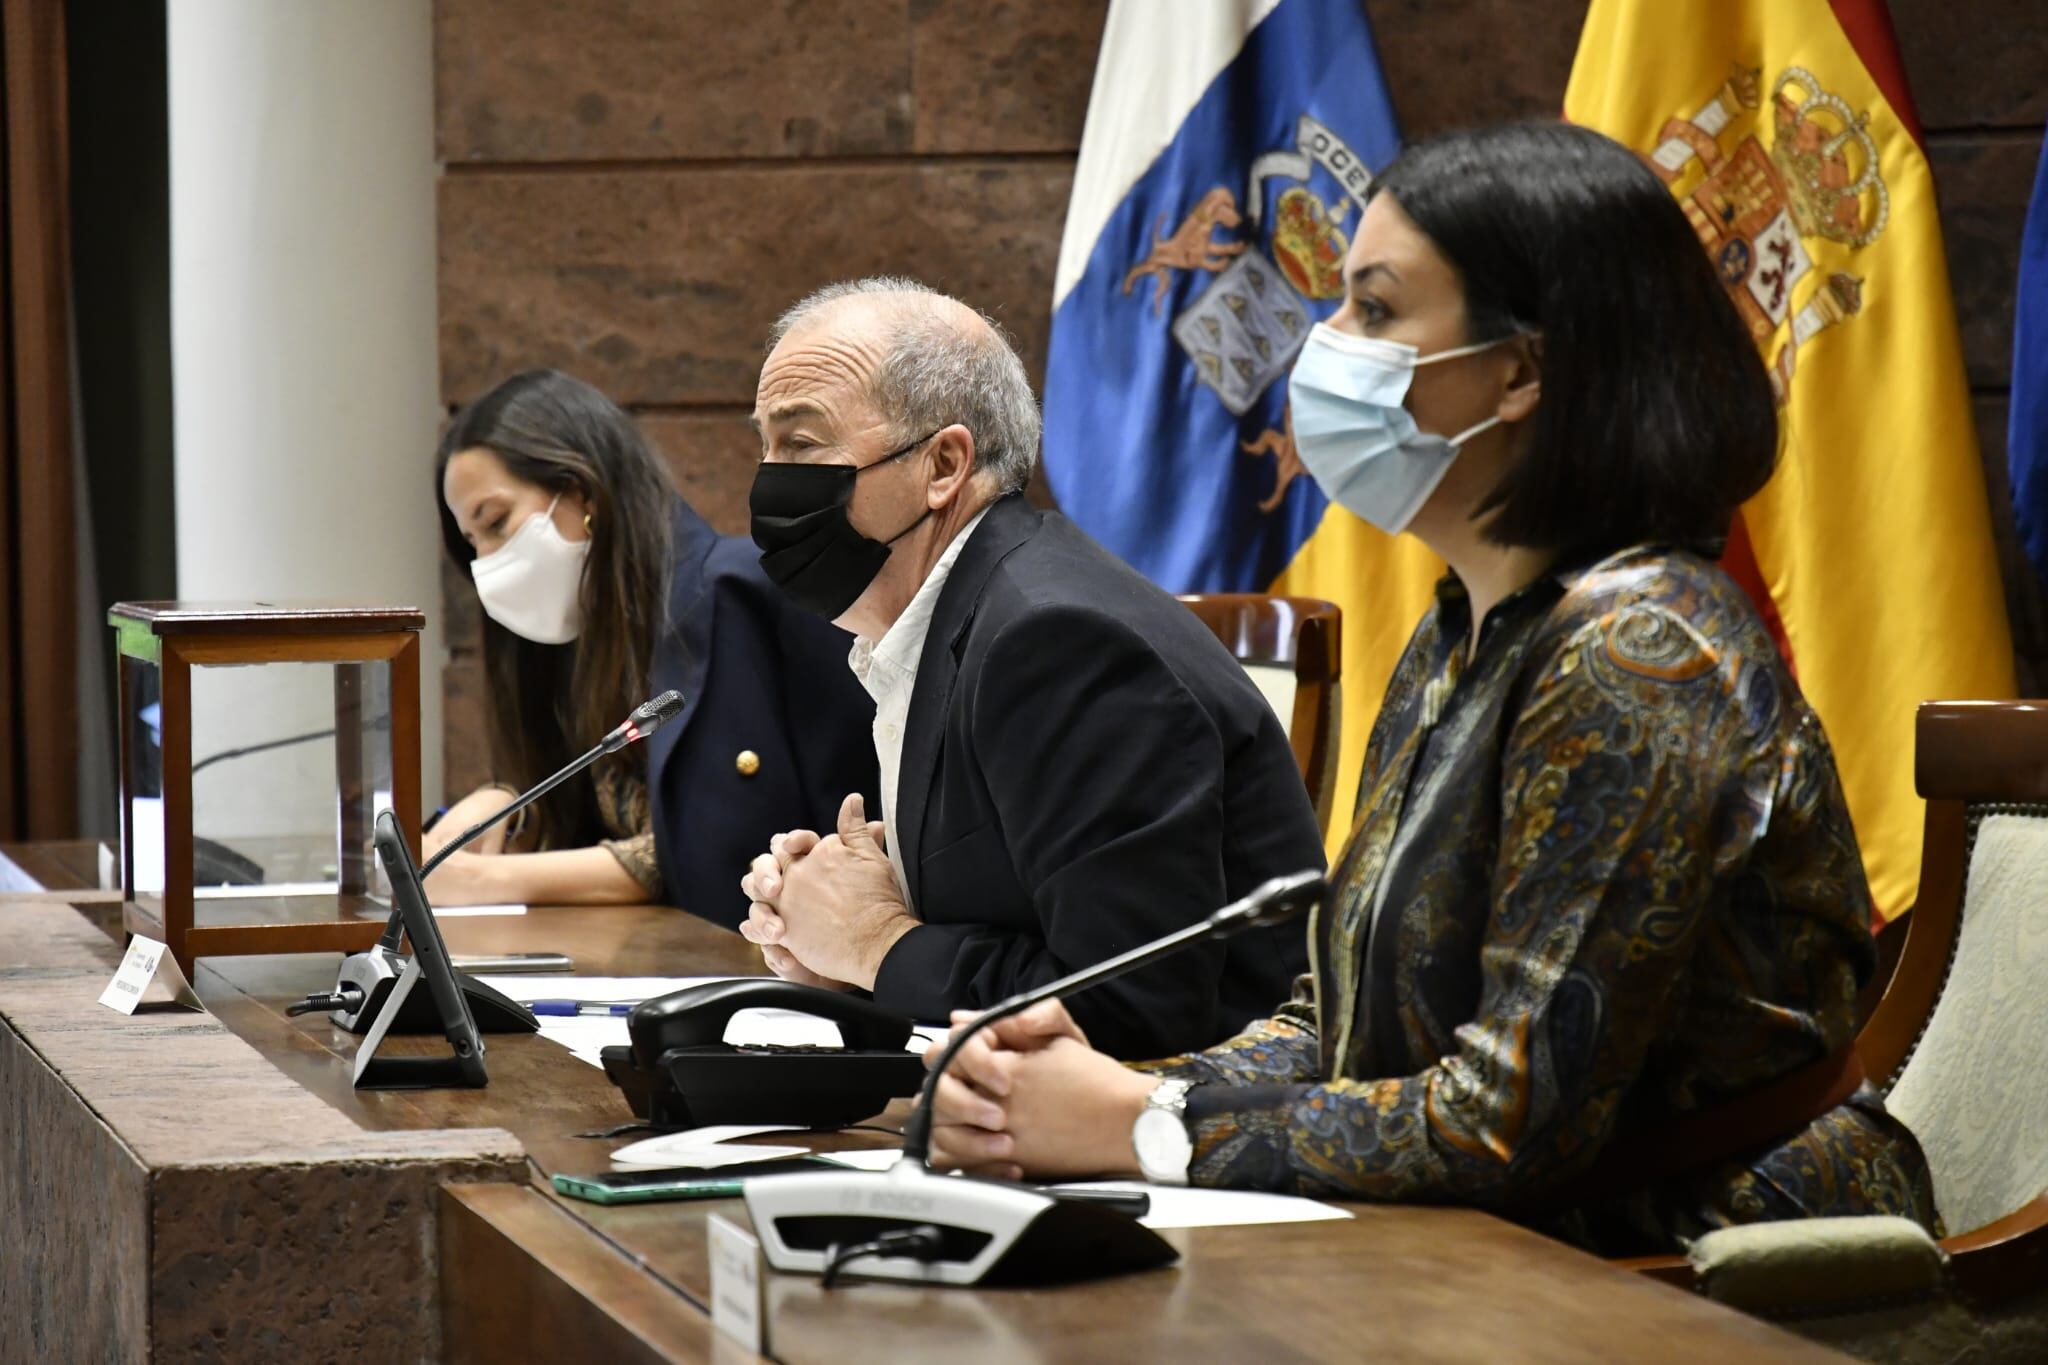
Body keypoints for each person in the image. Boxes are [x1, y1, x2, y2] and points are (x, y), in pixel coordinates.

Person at [918, 123, 1941, 1256]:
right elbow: (1339, 1022)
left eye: (1376, 308)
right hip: (1497, 1244)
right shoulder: (1466, 626)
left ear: (1519, 371)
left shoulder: (1640, 654)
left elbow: (1509, 1123)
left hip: (1704, 1265)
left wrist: (1154, 1128)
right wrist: (1083, 1082)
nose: (1326, 342)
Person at [736, 278, 1323, 1059]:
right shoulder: (964, 614)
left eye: (802, 444)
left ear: (943, 464)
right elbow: (1023, 911)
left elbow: (1128, 1008)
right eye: (766, 445)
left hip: (1199, 1130)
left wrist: (877, 942)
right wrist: (840, 920)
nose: (769, 480)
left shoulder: (1056, 639)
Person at [429, 368, 877, 922]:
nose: (487, 564)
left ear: (582, 488)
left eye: (495, 522)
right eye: (471, 545)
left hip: (795, 975)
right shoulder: (575, 642)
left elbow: (726, 853)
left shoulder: (741, 594)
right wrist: (509, 805)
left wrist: (483, 880)